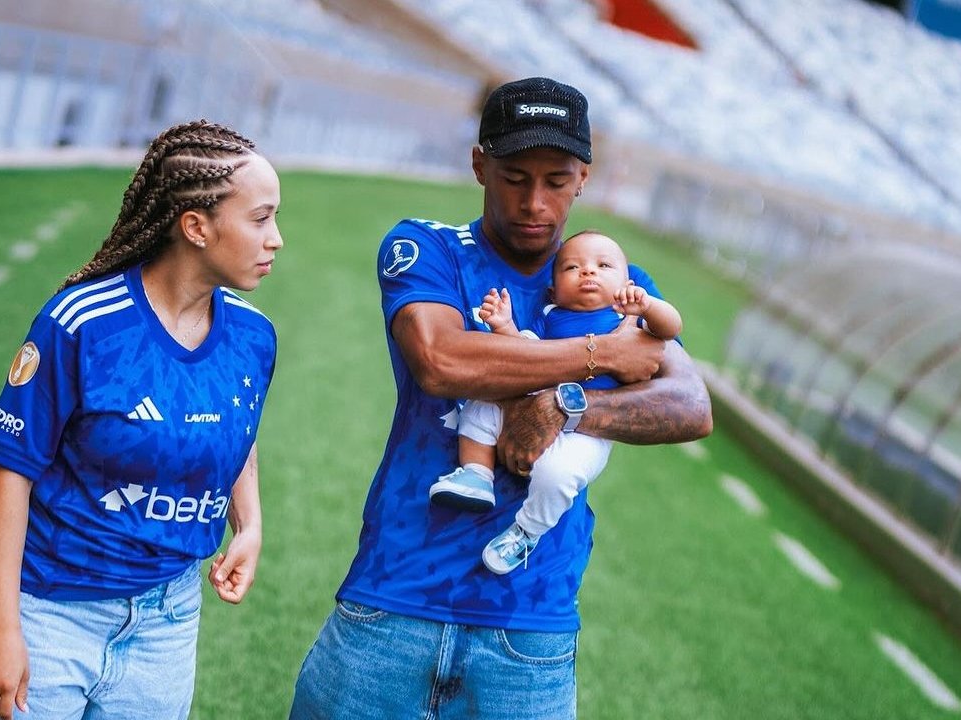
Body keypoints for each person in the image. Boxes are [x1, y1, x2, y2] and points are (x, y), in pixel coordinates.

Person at [289, 77, 712, 719]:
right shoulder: (426, 247)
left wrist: (566, 406)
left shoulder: (614, 278)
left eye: (557, 181)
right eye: (515, 177)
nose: (534, 202)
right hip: (396, 598)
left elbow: (690, 405)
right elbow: (441, 360)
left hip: (530, 621)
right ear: (479, 165)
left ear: (584, 178)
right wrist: (603, 354)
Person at [0, 119, 282, 720]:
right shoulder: (84, 323)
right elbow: (11, 473)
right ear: (196, 226)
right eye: (260, 219)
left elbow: (236, 427)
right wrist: (3, 630)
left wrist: (248, 523)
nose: (276, 239)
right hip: (48, 611)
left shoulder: (254, 336)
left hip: (167, 625)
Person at [430, 230, 683, 574]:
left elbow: (671, 328)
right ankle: (476, 473)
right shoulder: (550, 315)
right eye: (572, 268)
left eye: (603, 266)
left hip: (587, 430)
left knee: (559, 475)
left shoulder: (628, 318)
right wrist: (505, 326)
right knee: (482, 403)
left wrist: (649, 306)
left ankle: (526, 531)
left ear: (627, 283)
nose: (588, 271)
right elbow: (525, 351)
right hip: (535, 397)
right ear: (553, 290)